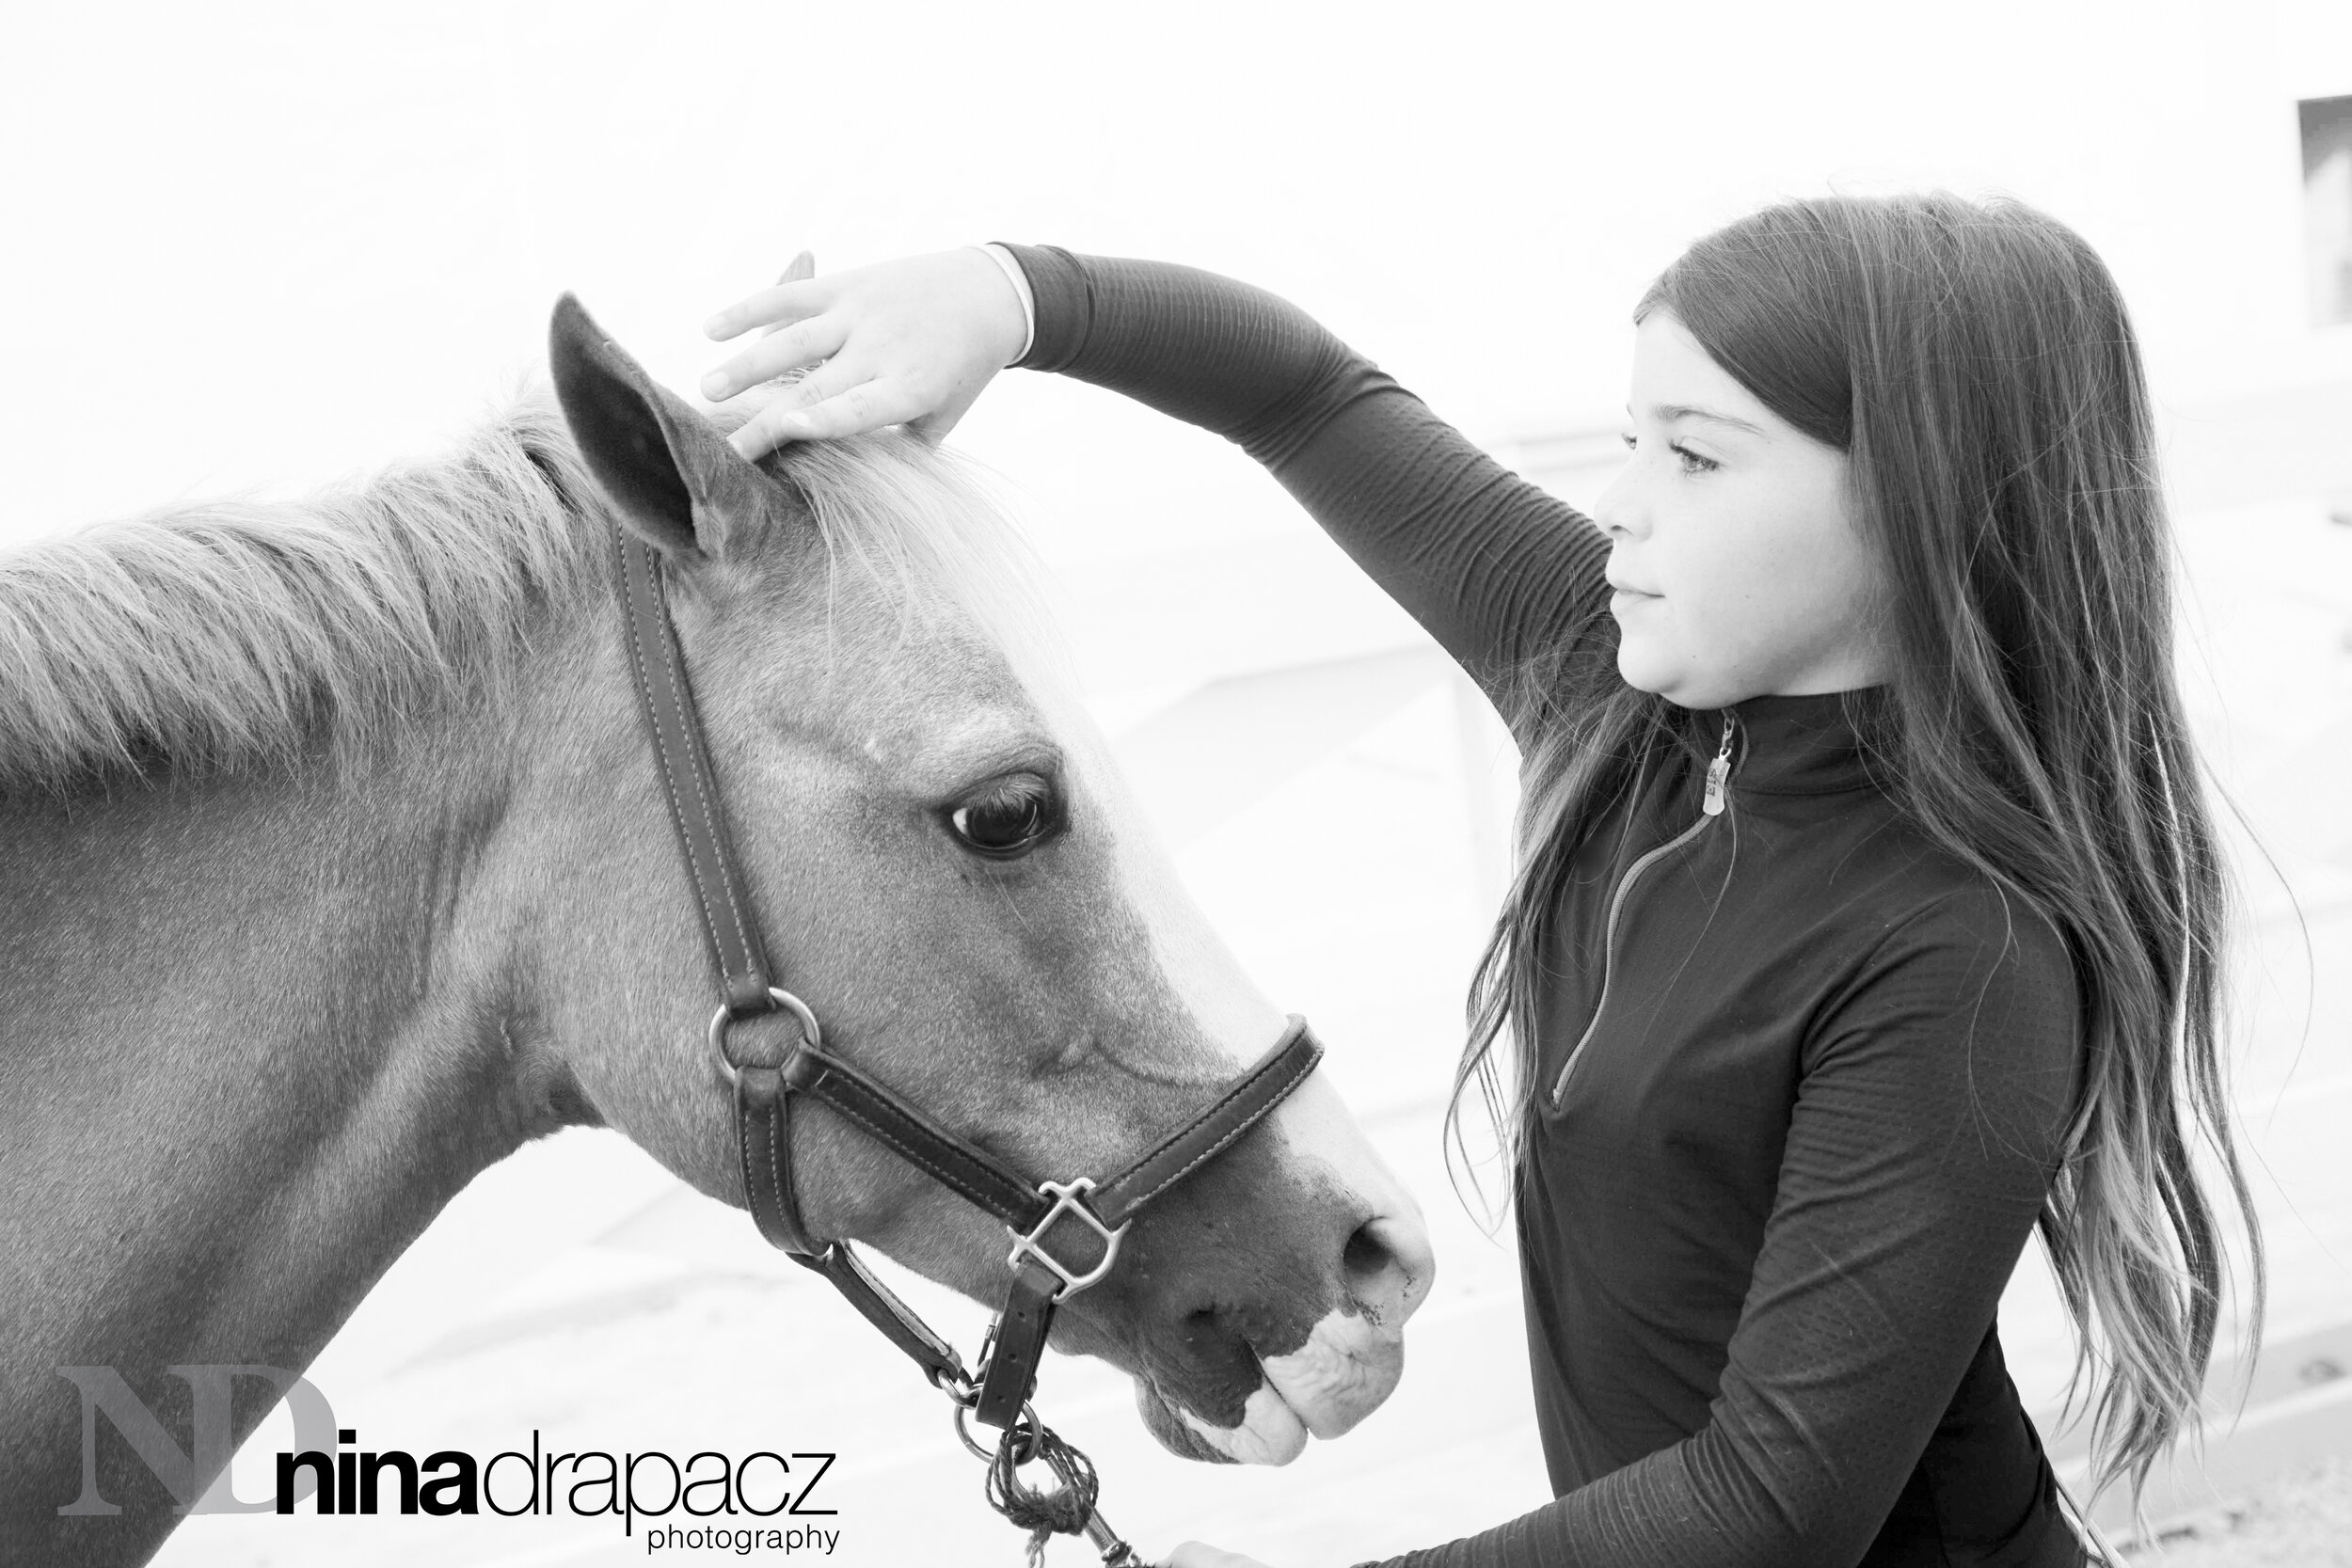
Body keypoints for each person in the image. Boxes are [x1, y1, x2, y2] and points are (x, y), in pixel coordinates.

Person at [696, 194, 2263, 1567]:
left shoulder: (1961, 950)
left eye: (1699, 457)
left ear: (1918, 511)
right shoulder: (1617, 697)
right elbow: (1304, 393)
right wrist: (1007, 295)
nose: (1627, 502)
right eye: (1633, 436)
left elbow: (1781, 1501)